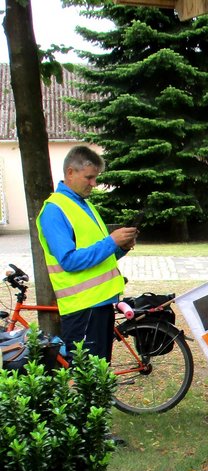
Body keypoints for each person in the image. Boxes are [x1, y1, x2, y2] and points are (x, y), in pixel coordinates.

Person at [37, 145, 138, 364]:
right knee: (88, 378)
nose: (94, 184)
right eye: (89, 178)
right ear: (70, 173)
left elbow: (99, 256)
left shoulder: (85, 206)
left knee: (99, 374)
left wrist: (121, 247)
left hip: (99, 305)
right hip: (82, 309)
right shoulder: (54, 210)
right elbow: (69, 261)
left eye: (95, 178)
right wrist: (111, 241)